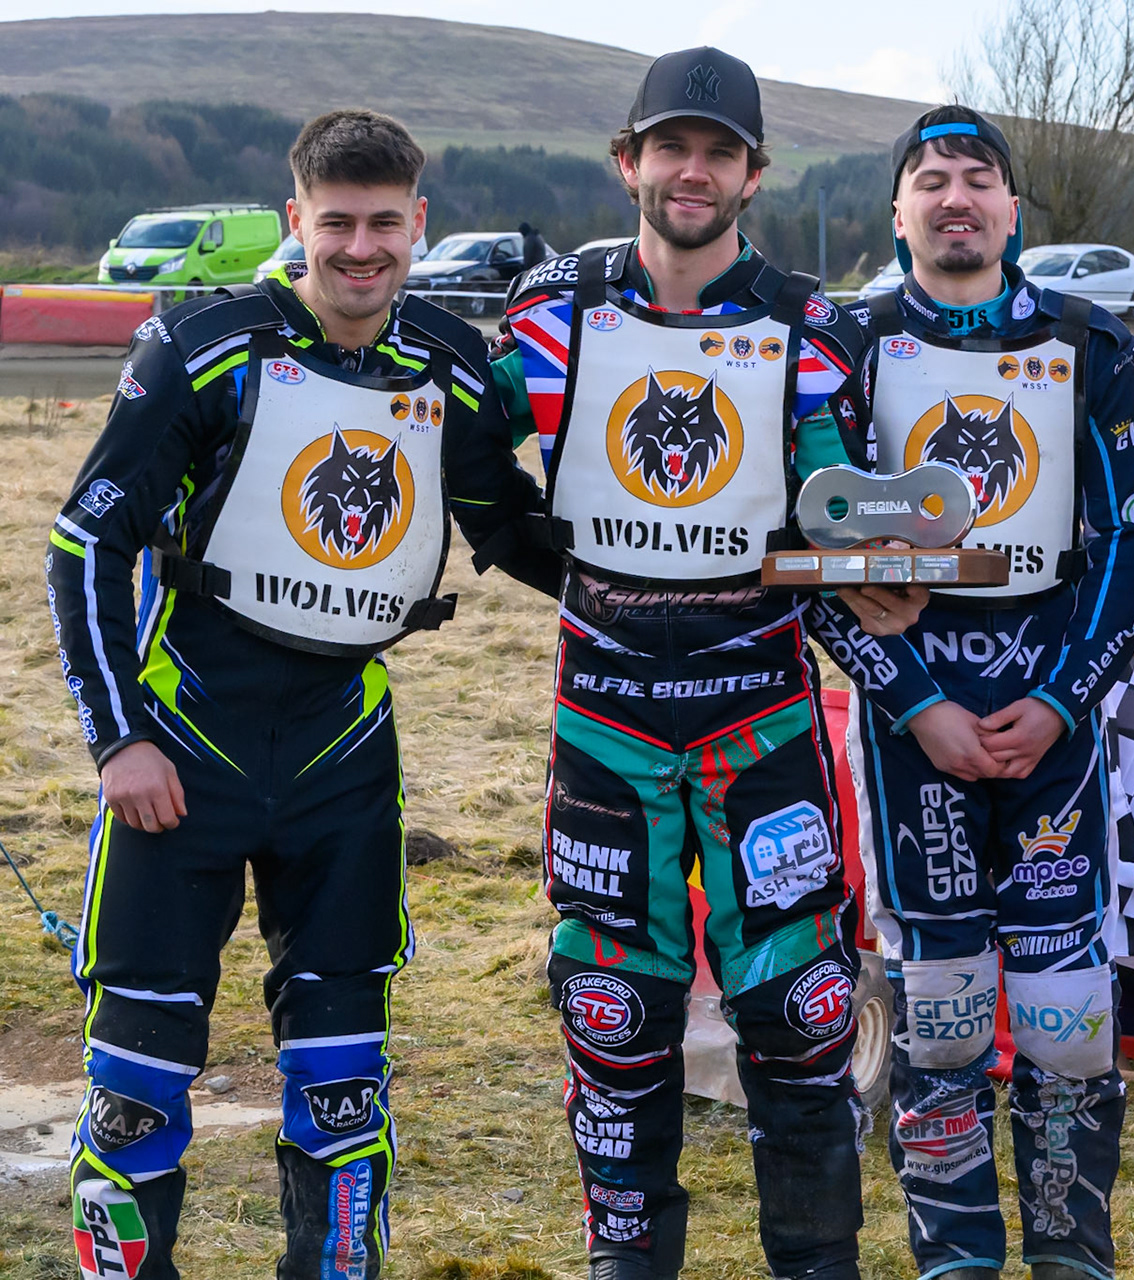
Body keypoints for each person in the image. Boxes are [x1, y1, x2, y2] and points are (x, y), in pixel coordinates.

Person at [48, 109, 556, 1280]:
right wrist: (118, 739)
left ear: (419, 223)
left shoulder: (451, 361)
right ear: (297, 223)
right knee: (136, 1078)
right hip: (185, 743)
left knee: (341, 1083)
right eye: (338, 224)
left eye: (387, 223)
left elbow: (507, 528)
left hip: (341, 755)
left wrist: (674, 591)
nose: (363, 248)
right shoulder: (204, 344)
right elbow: (84, 543)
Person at [487, 46, 922, 1280]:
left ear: (754, 174)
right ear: (627, 162)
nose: (694, 170)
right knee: (611, 1013)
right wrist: (568, 571)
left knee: (801, 1011)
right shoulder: (549, 310)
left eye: (719, 151)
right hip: (608, 722)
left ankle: (816, 1260)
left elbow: (841, 504)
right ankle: (629, 1259)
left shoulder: (812, 325)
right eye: (671, 146)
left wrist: (884, 565)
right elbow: (468, 470)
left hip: (759, 718)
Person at [839, 105, 1134, 1280]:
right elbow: (816, 549)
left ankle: (1073, 1253)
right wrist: (919, 700)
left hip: (1056, 724)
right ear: (899, 211)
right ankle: (956, 1256)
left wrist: (1069, 700)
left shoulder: (1094, 340)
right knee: (941, 1008)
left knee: (1067, 1015)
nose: (956, 198)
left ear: (1014, 207)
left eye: (979, 178)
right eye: (931, 179)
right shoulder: (849, 337)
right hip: (913, 723)